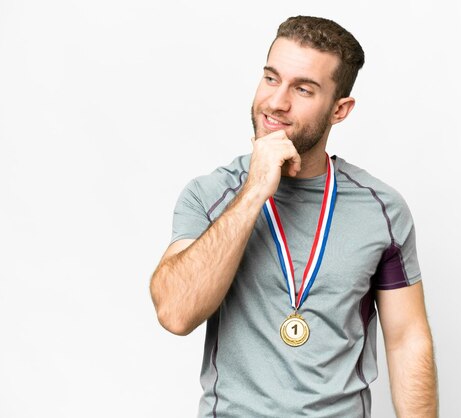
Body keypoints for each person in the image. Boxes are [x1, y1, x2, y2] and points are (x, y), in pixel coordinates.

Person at [150, 15, 438, 418]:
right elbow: (176, 313)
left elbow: (407, 339)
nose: (276, 102)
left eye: (302, 89)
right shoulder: (211, 194)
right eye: (271, 78)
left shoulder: (382, 210)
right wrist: (254, 191)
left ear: (340, 109)